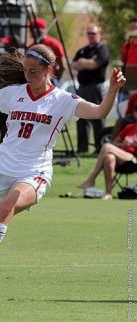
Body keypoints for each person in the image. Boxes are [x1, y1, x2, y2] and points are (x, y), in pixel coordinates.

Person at [0, 44, 126, 285]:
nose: (28, 76)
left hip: (33, 173)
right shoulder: (12, 93)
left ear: (49, 70)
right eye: (26, 71)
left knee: (5, 207)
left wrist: (112, 89)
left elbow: (101, 112)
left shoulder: (63, 101)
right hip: (0, 169)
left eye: (34, 72)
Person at [77, 104, 137, 200]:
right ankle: (108, 193)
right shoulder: (129, 127)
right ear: (134, 114)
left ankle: (91, 179)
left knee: (106, 146)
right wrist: (125, 144)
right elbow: (114, 143)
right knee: (109, 157)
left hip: (133, 159)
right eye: (136, 112)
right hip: (121, 158)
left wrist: (133, 144)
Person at [72, 24, 109, 154]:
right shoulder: (83, 50)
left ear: (98, 34)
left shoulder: (102, 50)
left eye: (93, 33)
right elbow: (74, 65)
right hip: (82, 88)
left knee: (97, 117)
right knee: (80, 117)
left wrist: (84, 63)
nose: (90, 36)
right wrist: (85, 62)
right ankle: (82, 148)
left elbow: (95, 65)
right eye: (88, 33)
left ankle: (100, 148)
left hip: (95, 87)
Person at [28, 18, 65, 83]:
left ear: (40, 29)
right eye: (31, 28)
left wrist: (55, 80)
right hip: (35, 80)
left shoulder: (54, 44)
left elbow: (62, 67)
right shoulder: (32, 45)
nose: (31, 31)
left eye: (32, 28)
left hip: (49, 80)